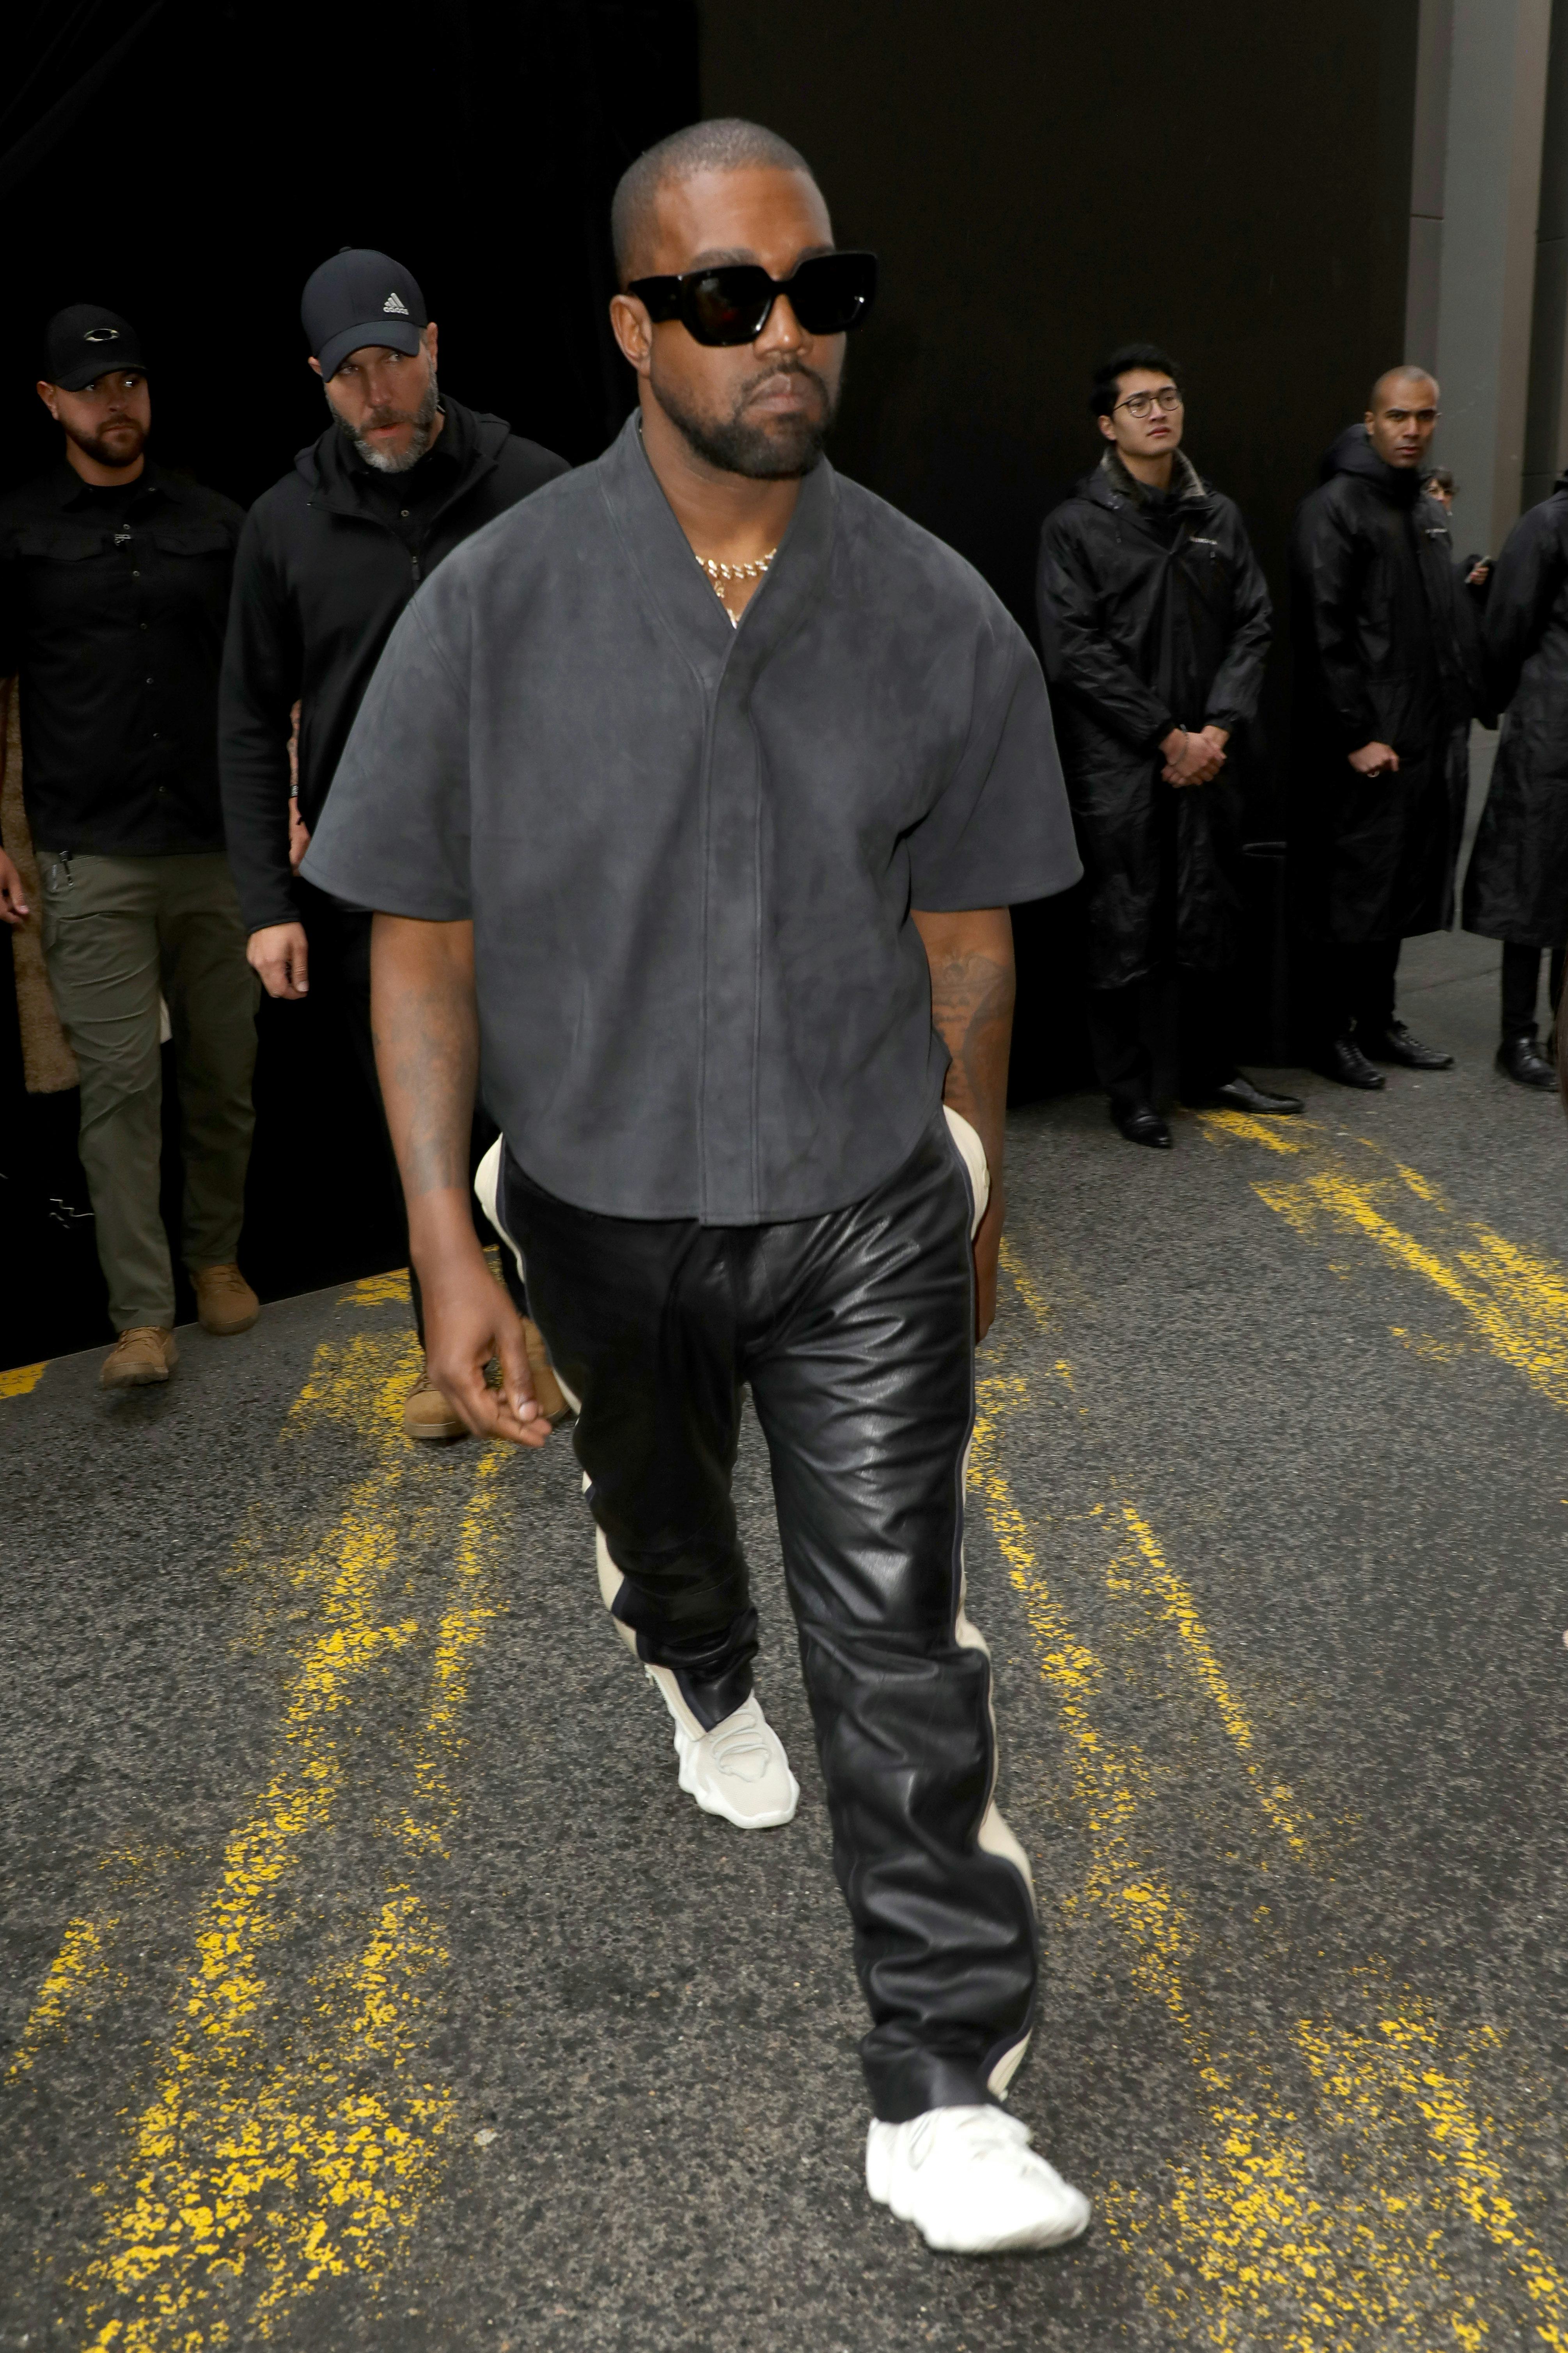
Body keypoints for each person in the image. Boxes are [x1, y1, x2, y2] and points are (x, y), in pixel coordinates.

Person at [303, 118, 1093, 2256]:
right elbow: (422, 939)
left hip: (857, 1202)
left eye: (816, 294)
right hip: (592, 1202)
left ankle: (941, 2089)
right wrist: (441, 1243)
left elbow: (971, 950)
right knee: (670, 1530)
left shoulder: (935, 611)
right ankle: (685, 1652)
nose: (784, 337)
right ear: (637, 327)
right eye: (728, 298)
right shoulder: (492, 605)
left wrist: (976, 1212)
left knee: (901, 1641)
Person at [219, 250, 570, 1439]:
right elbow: (247, 720)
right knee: (426, 1116)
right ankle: (448, 1357)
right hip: (376, 887)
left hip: (536, 864)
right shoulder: (282, 524)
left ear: (437, 348)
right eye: (350, 373)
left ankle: (558, 1333)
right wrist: (267, 900)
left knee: (549, 1106)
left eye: (396, 360)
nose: (379, 393)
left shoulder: (536, 486)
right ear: (318, 380)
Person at [0, 306, 258, 1390]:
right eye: (95, 388)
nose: (119, 404)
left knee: (224, 1073)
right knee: (118, 1087)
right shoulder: (16, 531)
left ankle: (215, 1262)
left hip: (214, 845)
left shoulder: (214, 519)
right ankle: (142, 1317)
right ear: (52, 402)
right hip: (87, 851)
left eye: (132, 383)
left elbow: (266, 675)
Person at [1037, 343, 1300, 1147]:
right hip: (1124, 761)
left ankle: (1210, 1070)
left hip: (1211, 757)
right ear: (1107, 425)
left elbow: (1255, 622)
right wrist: (1164, 735)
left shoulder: (1215, 517)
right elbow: (1074, 650)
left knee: (1211, 913)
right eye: (1139, 402)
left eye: (1170, 397)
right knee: (1125, 921)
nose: (1159, 412)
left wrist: (1215, 729)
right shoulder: (1077, 526)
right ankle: (1131, 1091)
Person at [1289, 367, 1476, 1087]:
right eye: (1398, 417)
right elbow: (1322, 633)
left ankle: (1377, 1022)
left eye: (1425, 417)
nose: (1412, 430)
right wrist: (1355, 735)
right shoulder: (1335, 508)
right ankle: (1328, 1033)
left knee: (1396, 887)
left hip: (1419, 734)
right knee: (1351, 892)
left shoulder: (1422, 509)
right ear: (1370, 421)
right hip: (1364, 740)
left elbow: (1429, 619)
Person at [1462, 466, 1568, 1087]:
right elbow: (1508, 625)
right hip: (1550, 732)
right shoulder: (1547, 523)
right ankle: (1517, 1036)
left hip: (1551, 726)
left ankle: (1560, 1033)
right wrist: (1495, 699)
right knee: (1533, 887)